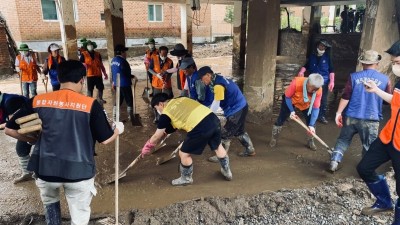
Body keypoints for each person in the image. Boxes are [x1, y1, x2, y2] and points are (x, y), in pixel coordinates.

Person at [5, 60, 124, 225]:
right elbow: (105, 140)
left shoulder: (37, 100)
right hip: (79, 173)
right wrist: (118, 129)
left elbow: (9, 130)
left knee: (51, 207)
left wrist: (32, 139)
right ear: (82, 80)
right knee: (79, 217)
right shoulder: (90, 105)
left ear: (59, 78)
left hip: (45, 170)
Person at [140, 93, 232, 186]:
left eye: (156, 108)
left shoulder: (165, 114)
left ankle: (186, 179)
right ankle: (227, 172)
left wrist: (148, 146)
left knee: (183, 153)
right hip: (213, 119)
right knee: (218, 146)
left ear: (161, 104)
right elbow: (178, 121)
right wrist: (167, 131)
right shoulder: (181, 98)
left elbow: (156, 136)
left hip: (200, 126)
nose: (158, 110)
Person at [355, 42, 400, 223]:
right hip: (388, 137)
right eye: (393, 62)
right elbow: (396, 101)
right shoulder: (399, 81)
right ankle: (383, 202)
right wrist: (376, 90)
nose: (394, 66)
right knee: (364, 168)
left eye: (397, 61)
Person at [329, 50, 391, 172]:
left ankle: (334, 161)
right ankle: (365, 171)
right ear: (377, 63)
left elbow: (346, 96)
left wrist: (338, 113)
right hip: (371, 119)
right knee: (369, 146)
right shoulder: (385, 79)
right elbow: (387, 101)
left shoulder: (353, 77)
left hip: (351, 116)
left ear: (362, 63)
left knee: (343, 140)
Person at [198, 66, 255, 162]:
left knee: (224, 134)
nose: (202, 81)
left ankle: (221, 157)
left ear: (208, 75)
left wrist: (207, 115)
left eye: (202, 79)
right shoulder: (217, 79)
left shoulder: (218, 85)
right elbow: (214, 100)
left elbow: (216, 103)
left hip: (236, 109)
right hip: (242, 105)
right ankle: (250, 150)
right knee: (238, 131)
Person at [269, 73, 324, 150]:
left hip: (306, 104)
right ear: (308, 83)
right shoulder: (297, 82)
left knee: (312, 122)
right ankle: (274, 138)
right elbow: (287, 97)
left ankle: (310, 140)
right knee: (280, 119)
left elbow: (316, 108)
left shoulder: (318, 90)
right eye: (313, 88)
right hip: (290, 101)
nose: (314, 90)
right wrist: (292, 111)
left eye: (316, 89)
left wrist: (311, 125)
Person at [298, 39, 335, 124]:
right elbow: (306, 65)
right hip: (312, 80)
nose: (322, 47)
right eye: (321, 45)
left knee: (323, 99)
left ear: (325, 48)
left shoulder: (327, 57)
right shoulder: (312, 55)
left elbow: (331, 70)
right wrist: (301, 71)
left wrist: (332, 81)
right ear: (317, 46)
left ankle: (321, 116)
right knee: (309, 97)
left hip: (323, 81)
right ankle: (309, 113)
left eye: (324, 46)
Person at [0, 92, 33, 184]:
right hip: (26, 125)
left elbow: (14, 123)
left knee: (29, 148)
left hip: (34, 124)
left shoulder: (10, 101)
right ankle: (28, 173)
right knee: (21, 149)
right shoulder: (4, 100)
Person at [111, 44, 136, 121]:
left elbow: (113, 72)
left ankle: (115, 116)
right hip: (125, 84)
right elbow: (126, 73)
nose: (125, 53)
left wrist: (113, 82)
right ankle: (131, 117)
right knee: (129, 100)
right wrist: (132, 77)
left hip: (116, 83)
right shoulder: (123, 61)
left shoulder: (113, 60)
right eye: (124, 52)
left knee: (119, 100)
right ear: (121, 52)